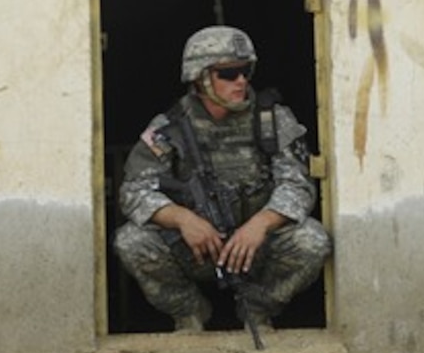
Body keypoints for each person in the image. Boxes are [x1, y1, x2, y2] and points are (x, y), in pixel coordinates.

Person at [114, 25, 332, 333]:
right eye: (228, 74)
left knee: (313, 241)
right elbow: (133, 191)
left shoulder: (272, 120)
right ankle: (189, 312)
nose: (241, 80)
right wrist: (182, 219)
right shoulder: (170, 127)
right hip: (199, 248)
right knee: (131, 241)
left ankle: (256, 309)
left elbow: (298, 185)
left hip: (255, 245)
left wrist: (261, 224)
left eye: (245, 71)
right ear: (201, 78)